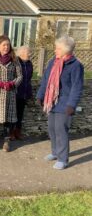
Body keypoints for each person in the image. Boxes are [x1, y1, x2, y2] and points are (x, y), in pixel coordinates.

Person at [36, 35, 84, 170]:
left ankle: (63, 159)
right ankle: (55, 152)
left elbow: (77, 87)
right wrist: (40, 95)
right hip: (52, 101)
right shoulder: (53, 62)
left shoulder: (75, 65)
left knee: (61, 130)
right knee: (52, 128)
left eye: (58, 48)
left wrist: (71, 105)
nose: (55, 50)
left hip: (65, 103)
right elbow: (45, 80)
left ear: (66, 50)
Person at [13, 46, 33, 140]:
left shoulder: (29, 64)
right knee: (13, 113)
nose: (30, 54)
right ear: (21, 53)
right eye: (28, 52)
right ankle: (11, 132)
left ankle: (18, 132)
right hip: (15, 92)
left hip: (24, 92)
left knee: (20, 114)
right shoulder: (16, 63)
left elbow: (29, 78)